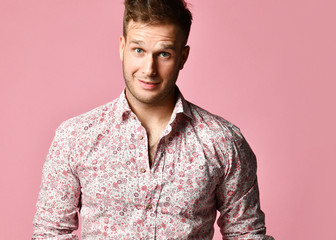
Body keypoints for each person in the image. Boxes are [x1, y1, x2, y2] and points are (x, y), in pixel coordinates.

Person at [32, 0, 273, 239]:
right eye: (139, 50)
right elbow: (50, 232)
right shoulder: (75, 137)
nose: (149, 69)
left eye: (164, 54)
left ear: (183, 57)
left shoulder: (223, 142)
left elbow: (246, 234)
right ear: (122, 47)